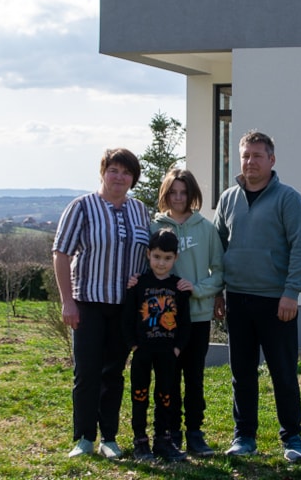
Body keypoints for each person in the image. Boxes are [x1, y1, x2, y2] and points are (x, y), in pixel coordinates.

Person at [213, 130, 301, 463]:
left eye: (257, 155)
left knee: (283, 371)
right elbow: (218, 248)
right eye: (245, 156)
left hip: (276, 302)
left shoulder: (289, 199)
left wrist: (291, 292)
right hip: (237, 299)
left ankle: (293, 439)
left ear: (271, 159)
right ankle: (244, 436)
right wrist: (217, 292)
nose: (250, 162)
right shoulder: (228, 198)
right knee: (242, 372)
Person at [52, 148, 152, 459]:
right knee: (87, 373)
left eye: (126, 172)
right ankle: (83, 437)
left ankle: (109, 437)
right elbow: (61, 253)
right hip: (88, 303)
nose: (119, 177)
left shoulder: (139, 211)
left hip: (124, 308)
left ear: (133, 178)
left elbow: (149, 257)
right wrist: (67, 302)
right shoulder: (81, 207)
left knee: (113, 373)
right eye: (114, 170)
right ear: (102, 173)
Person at [151, 168, 224, 457]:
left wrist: (197, 289)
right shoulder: (154, 227)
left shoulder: (205, 229)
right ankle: (170, 433)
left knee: (194, 377)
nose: (178, 198)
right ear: (165, 194)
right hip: (164, 319)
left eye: (183, 192)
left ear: (192, 194)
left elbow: (219, 272)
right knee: (167, 378)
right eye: (173, 192)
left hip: (197, 316)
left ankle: (195, 432)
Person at [123, 228, 192, 462]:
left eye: (167, 258)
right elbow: (127, 317)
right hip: (142, 351)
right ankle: (140, 441)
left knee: (166, 396)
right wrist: (134, 345)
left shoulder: (178, 287)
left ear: (175, 258)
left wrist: (177, 348)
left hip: (167, 352)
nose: (161, 263)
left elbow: (184, 321)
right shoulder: (138, 284)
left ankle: (162, 440)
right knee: (139, 395)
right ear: (148, 254)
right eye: (157, 257)